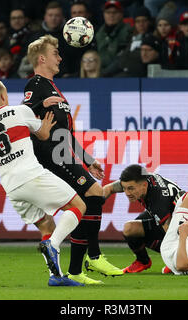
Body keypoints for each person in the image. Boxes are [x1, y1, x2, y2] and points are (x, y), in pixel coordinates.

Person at [22, 35, 124, 285]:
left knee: (85, 202)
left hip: (63, 153)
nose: (60, 57)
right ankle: (94, 256)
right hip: (50, 156)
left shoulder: (53, 86)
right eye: (55, 53)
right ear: (42, 58)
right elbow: (22, 117)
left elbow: (65, 133)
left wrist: (87, 159)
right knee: (95, 193)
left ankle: (77, 270)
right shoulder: (35, 85)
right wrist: (38, 105)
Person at [0, 79, 85, 287]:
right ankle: (53, 245)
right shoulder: (19, 112)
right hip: (31, 175)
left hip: (11, 186)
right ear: (3, 96)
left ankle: (55, 276)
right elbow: (43, 135)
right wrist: (45, 124)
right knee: (78, 205)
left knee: (46, 224)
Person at [103, 164, 186, 273]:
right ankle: (143, 261)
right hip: (170, 214)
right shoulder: (141, 179)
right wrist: (95, 204)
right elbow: (108, 188)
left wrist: (178, 261)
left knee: (131, 229)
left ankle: (177, 259)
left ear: (144, 185)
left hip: (179, 223)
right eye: (125, 188)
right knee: (134, 232)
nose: (127, 193)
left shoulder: (158, 200)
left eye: (131, 189)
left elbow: (171, 233)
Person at [95, 0, 133, 73]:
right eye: (108, 12)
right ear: (103, 14)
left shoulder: (128, 31)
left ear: (121, 14)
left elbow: (123, 58)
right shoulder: (99, 33)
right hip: (99, 72)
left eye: (115, 12)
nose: (111, 15)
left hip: (119, 73)